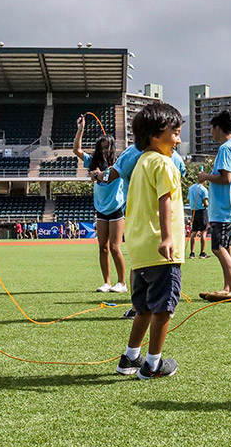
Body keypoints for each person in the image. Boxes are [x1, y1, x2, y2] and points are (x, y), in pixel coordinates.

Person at [114, 103, 184, 379]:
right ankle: (153, 364)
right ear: (156, 135)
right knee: (163, 308)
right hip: (161, 250)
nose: (178, 139)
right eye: (175, 133)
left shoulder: (142, 161)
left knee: (142, 308)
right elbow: (164, 200)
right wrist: (167, 237)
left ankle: (130, 358)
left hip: (141, 251)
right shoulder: (164, 163)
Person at [88, 127, 186, 318]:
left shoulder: (131, 153)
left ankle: (138, 307)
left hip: (138, 218)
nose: (178, 140)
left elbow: (110, 175)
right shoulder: (172, 157)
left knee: (139, 264)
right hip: (169, 220)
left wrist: (98, 176)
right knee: (166, 264)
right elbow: (178, 176)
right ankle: (158, 306)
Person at [73, 114, 127, 293]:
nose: (104, 151)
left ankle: (122, 283)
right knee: (102, 248)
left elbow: (103, 176)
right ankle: (107, 282)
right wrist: (80, 129)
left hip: (116, 209)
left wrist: (97, 175)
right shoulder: (93, 161)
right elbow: (77, 150)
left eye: (106, 148)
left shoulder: (119, 163)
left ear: (111, 148)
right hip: (101, 209)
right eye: (101, 147)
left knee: (114, 247)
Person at [197, 111, 231, 302]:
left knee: (217, 247)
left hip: (223, 209)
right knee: (227, 247)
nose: (210, 132)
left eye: (211, 128)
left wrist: (206, 176)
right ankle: (228, 287)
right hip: (227, 207)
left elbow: (226, 178)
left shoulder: (225, 149)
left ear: (218, 127)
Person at [187, 181, 209, 259]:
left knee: (194, 232)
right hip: (202, 212)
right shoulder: (203, 189)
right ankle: (202, 253)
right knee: (204, 231)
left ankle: (192, 253)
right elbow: (205, 203)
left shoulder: (191, 188)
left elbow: (189, 199)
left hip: (193, 211)